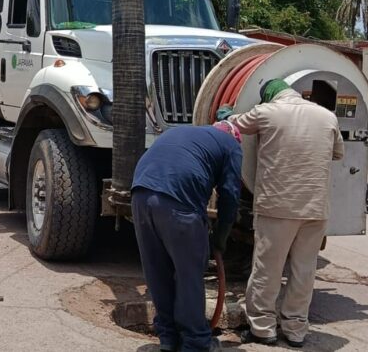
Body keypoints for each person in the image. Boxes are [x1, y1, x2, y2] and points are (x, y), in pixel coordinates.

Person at [228, 79, 345, 348]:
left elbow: (234, 125)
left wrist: (228, 114)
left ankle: (262, 328)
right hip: (315, 208)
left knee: (267, 269)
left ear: (268, 96)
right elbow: (338, 153)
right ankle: (295, 330)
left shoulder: (266, 112)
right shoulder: (327, 116)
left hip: (277, 206)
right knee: (304, 270)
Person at [131, 122, 243, 352]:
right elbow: (230, 194)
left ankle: (168, 338)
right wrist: (222, 235)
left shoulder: (186, 133)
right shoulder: (231, 144)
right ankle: (195, 341)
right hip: (178, 202)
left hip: (140, 195)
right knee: (188, 274)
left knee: (157, 271)